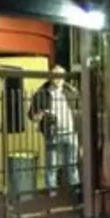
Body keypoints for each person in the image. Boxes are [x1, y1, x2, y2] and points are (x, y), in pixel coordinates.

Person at [27, 65, 79, 193]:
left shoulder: (71, 91)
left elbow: (79, 112)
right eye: (55, 75)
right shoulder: (42, 93)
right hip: (52, 134)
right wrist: (40, 115)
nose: (58, 78)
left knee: (72, 166)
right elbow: (32, 115)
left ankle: (75, 194)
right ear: (50, 76)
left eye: (61, 75)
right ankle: (52, 195)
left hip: (71, 133)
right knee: (52, 167)